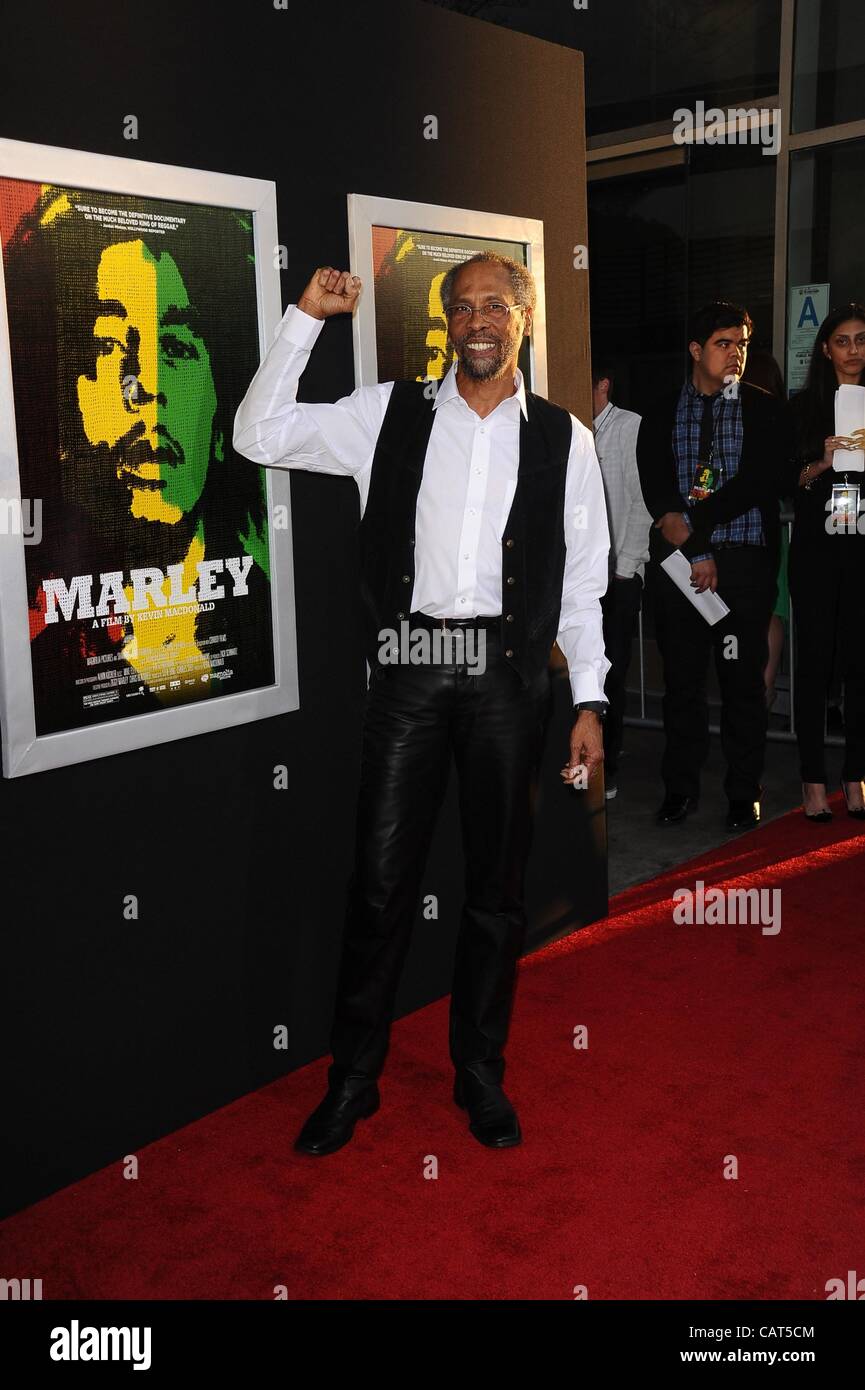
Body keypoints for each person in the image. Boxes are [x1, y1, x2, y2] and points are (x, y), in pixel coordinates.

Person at [233, 254, 610, 1153]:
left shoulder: (565, 438)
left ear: (524, 317)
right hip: (409, 663)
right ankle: (353, 1080)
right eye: (461, 307)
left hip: (509, 673)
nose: (477, 319)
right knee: (379, 882)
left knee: (495, 892)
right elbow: (258, 434)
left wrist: (589, 701)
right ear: (444, 322)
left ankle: (479, 1073)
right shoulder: (384, 413)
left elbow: (584, 584)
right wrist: (304, 320)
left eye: (495, 304)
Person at [2, 186, 272, 734]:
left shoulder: (274, 626)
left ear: (223, 415)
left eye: (175, 348)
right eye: (107, 346)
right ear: (56, 406)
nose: (145, 385)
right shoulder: (44, 679)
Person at [636, 301, 789, 831]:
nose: (736, 355)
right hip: (680, 568)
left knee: (742, 685)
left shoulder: (764, 408)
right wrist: (685, 538)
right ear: (696, 350)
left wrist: (690, 527)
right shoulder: (659, 410)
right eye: (725, 344)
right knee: (682, 685)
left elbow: (756, 484)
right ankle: (679, 790)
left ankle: (743, 794)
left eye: (743, 344)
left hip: (742, 563)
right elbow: (655, 483)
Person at [783, 304, 865, 821]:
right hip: (816, 549)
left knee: (861, 668)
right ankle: (813, 781)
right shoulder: (802, 408)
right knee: (813, 668)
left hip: (863, 548)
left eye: (861, 340)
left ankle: (855, 776)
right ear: (825, 348)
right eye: (843, 341)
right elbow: (782, 481)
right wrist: (822, 461)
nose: (854, 350)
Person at [591, 353, 652, 800]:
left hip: (619, 574)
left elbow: (640, 503)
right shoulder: (571, 426)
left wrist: (625, 568)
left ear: (604, 385)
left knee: (613, 672)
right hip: (582, 574)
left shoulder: (630, 426)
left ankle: (609, 765)